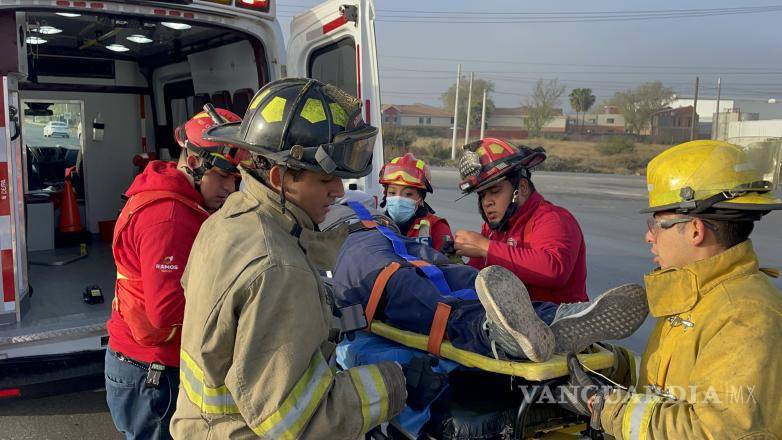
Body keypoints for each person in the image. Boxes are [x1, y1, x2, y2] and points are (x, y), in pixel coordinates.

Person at [170, 79, 410, 439]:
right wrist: (395, 383)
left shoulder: (227, 221)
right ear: (279, 176)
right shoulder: (279, 267)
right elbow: (299, 422)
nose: (339, 191)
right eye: (326, 178)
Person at [563, 140, 782, 438]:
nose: (648, 237)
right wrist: (616, 366)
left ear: (695, 230)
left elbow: (713, 431)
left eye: (657, 224)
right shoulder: (699, 296)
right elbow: (673, 389)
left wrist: (606, 408)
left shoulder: (746, 317)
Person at [323, 194, 649, 361]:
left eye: (493, 192)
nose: (486, 202)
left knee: (448, 288)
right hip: (387, 251)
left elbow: (550, 268)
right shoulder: (496, 226)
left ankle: (504, 330)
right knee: (449, 284)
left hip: (371, 250)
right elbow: (437, 261)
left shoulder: (549, 219)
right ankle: (551, 318)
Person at [105, 107, 246, 440]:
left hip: (144, 366)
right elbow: (167, 313)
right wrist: (239, 313)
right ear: (194, 162)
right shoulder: (169, 217)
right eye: (223, 176)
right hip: (152, 374)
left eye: (237, 178)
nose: (231, 187)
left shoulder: (178, 195)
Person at [453, 138, 588, 304]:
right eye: (482, 195)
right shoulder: (494, 230)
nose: (487, 202)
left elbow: (554, 270)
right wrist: (453, 264)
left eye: (495, 191)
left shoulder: (553, 219)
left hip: (558, 321)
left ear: (522, 188)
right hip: (509, 322)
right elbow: (476, 278)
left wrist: (485, 247)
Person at [379, 153, 454, 251]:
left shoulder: (437, 227)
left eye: (408, 194)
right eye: (392, 192)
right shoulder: (375, 225)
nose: (398, 199)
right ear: (386, 194)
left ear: (420, 198)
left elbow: (451, 264)